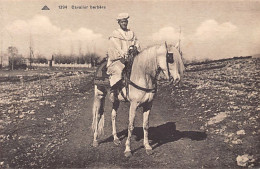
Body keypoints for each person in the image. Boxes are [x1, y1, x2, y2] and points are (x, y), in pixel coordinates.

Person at [107, 13, 141, 101]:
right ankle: (113, 90)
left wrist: (135, 47)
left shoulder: (131, 33)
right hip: (119, 58)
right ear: (119, 23)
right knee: (118, 70)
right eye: (122, 22)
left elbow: (136, 42)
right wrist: (122, 54)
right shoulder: (115, 33)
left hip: (132, 57)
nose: (124, 23)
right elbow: (115, 46)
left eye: (125, 22)